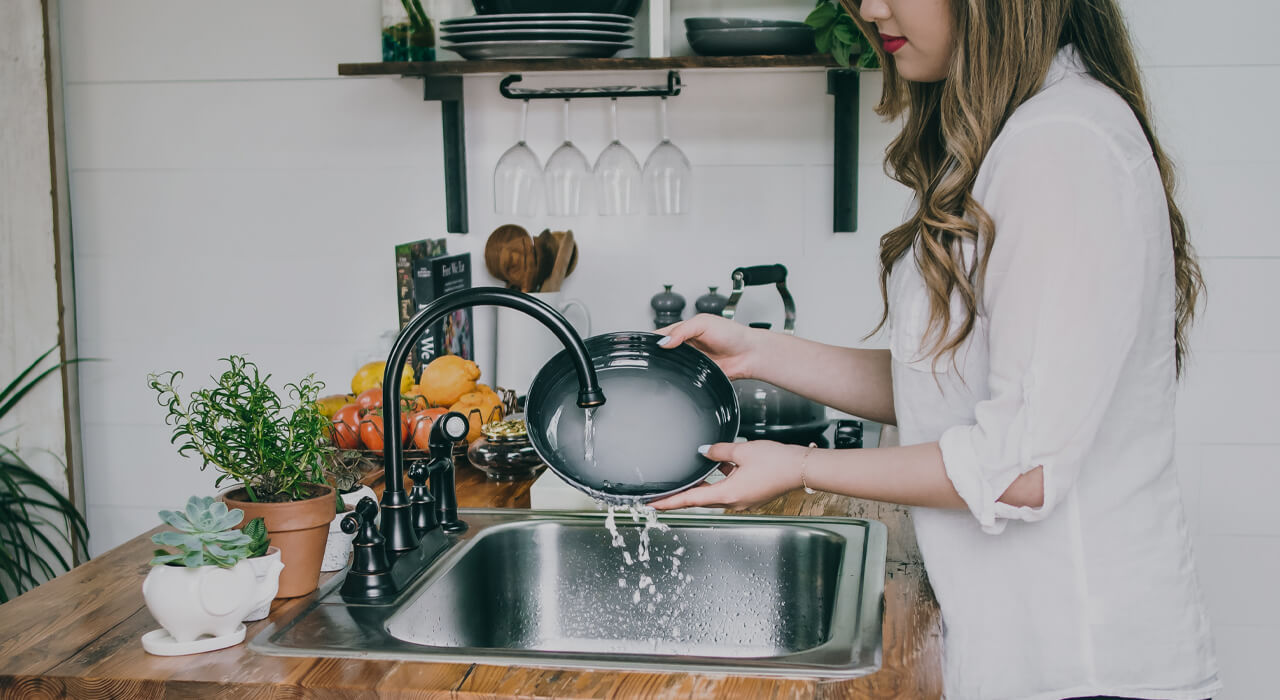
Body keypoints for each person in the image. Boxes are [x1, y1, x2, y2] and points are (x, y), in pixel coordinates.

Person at [650, 0, 1221, 698]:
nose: (869, 6)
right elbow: (949, 387)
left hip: (1083, 666)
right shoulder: (1023, 133)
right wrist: (756, 353)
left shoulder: (1061, 146)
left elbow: (1022, 469)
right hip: (1032, 653)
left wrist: (801, 464)